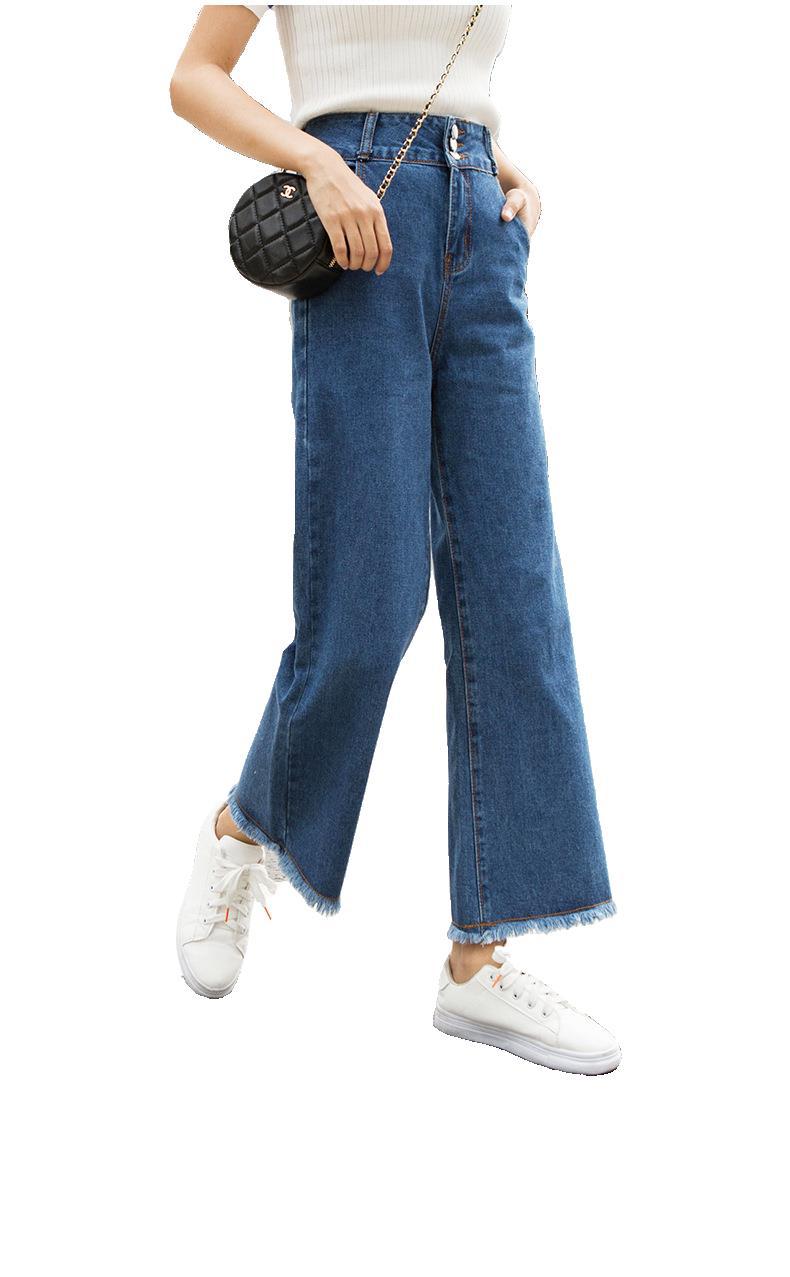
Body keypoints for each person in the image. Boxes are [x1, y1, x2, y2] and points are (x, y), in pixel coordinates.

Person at [172, 4, 620, 1075]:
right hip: (357, 220)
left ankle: (480, 958)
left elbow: (449, 78)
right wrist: (315, 162)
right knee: (369, 599)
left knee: (515, 594)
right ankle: (246, 827)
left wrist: (491, 164)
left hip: (480, 223)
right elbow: (195, 77)